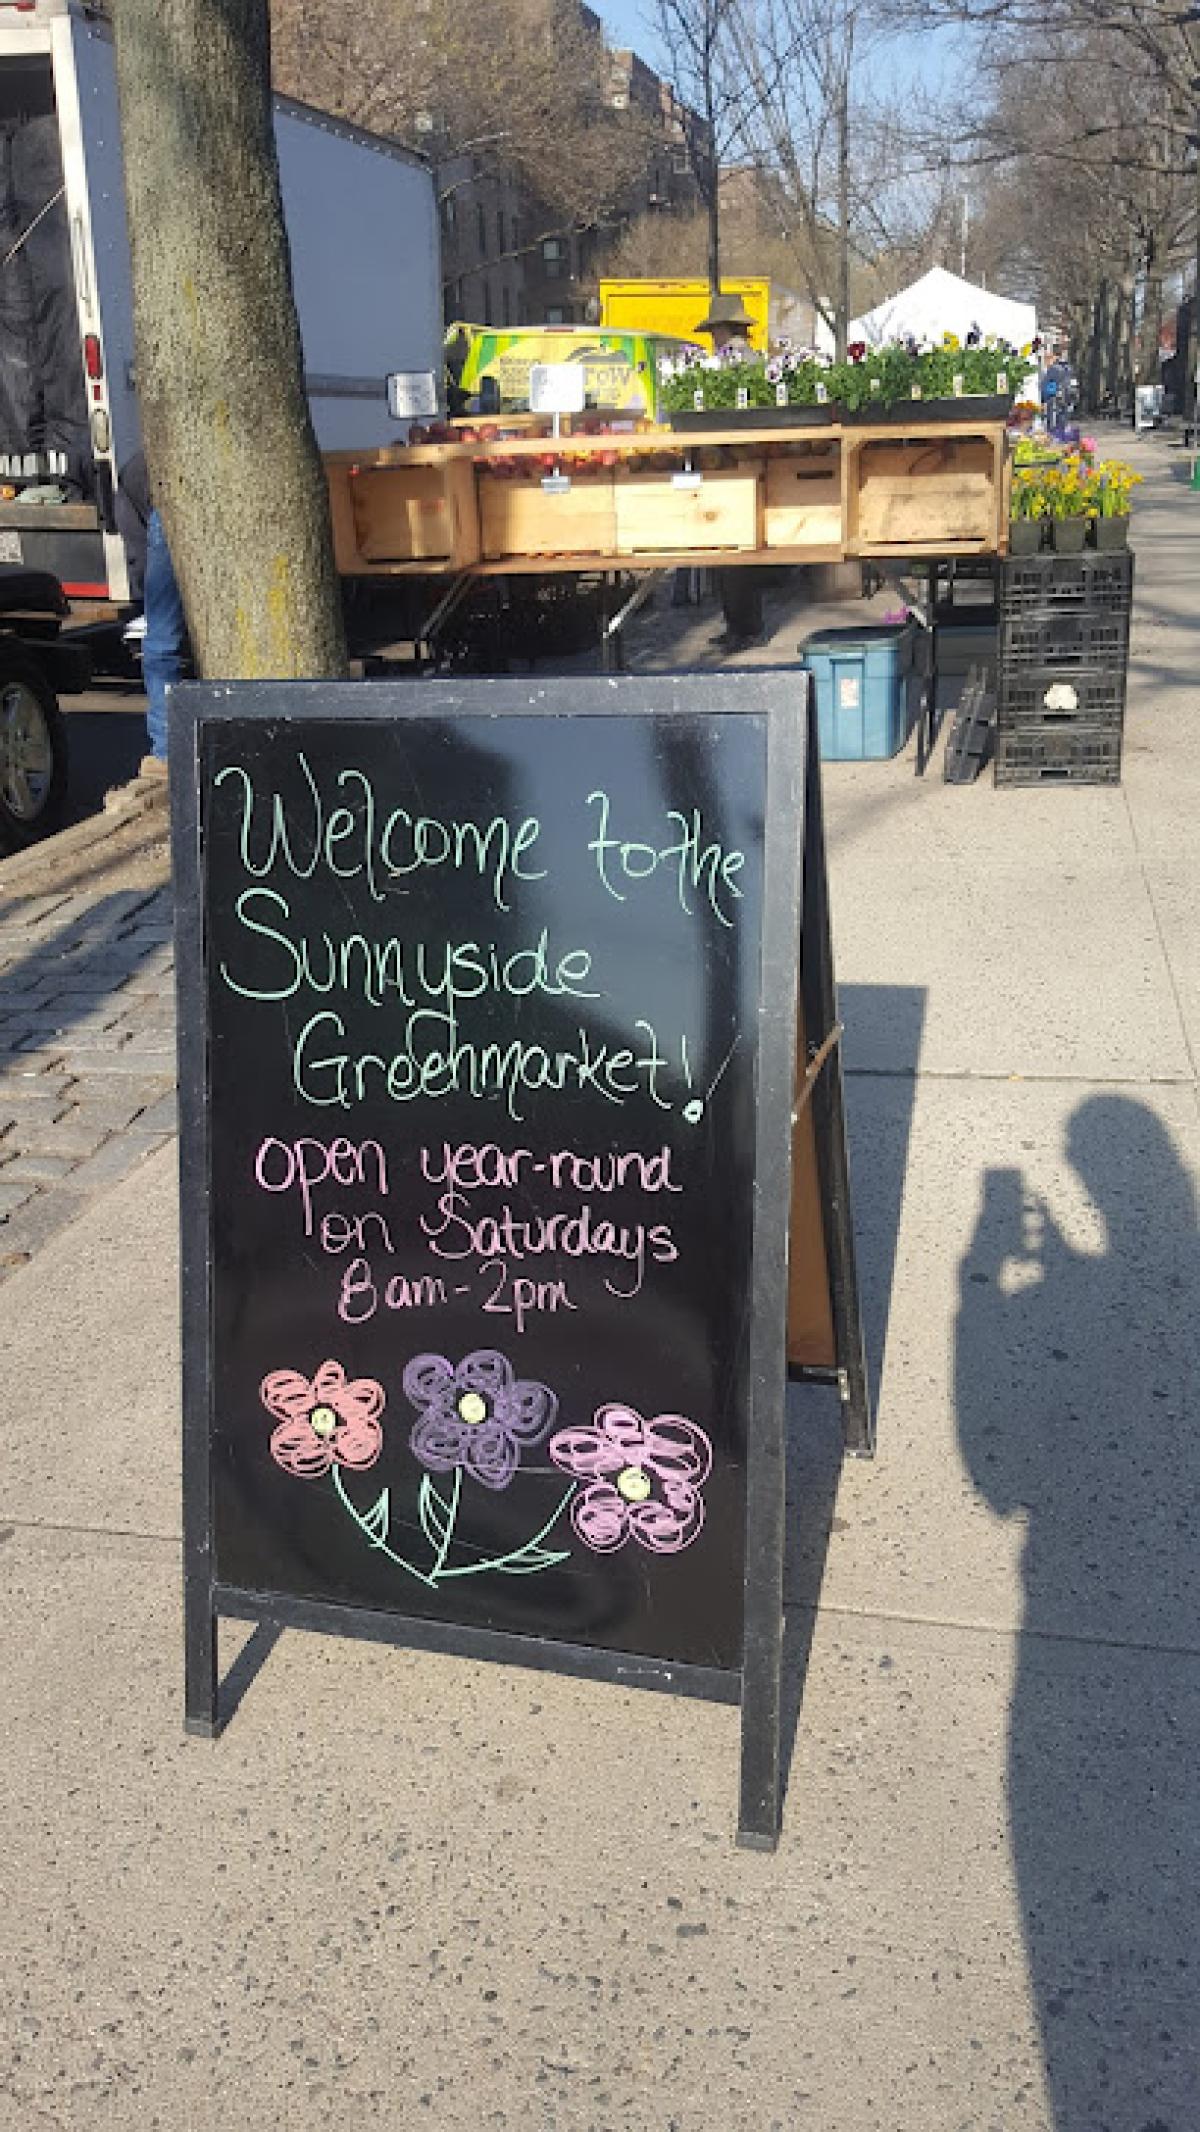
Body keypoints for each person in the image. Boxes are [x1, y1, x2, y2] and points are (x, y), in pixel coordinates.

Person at [693, 293, 767, 651]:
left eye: (714, 331)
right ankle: (742, 624)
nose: (712, 338)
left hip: (731, 464)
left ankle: (743, 627)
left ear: (724, 328)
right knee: (735, 555)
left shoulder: (733, 360)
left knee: (732, 555)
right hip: (744, 463)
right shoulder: (750, 358)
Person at [117, 451, 189, 776]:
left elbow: (138, 551)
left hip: (167, 508)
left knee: (161, 646)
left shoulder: (137, 473)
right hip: (177, 502)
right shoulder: (140, 472)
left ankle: (166, 754)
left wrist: (145, 598)